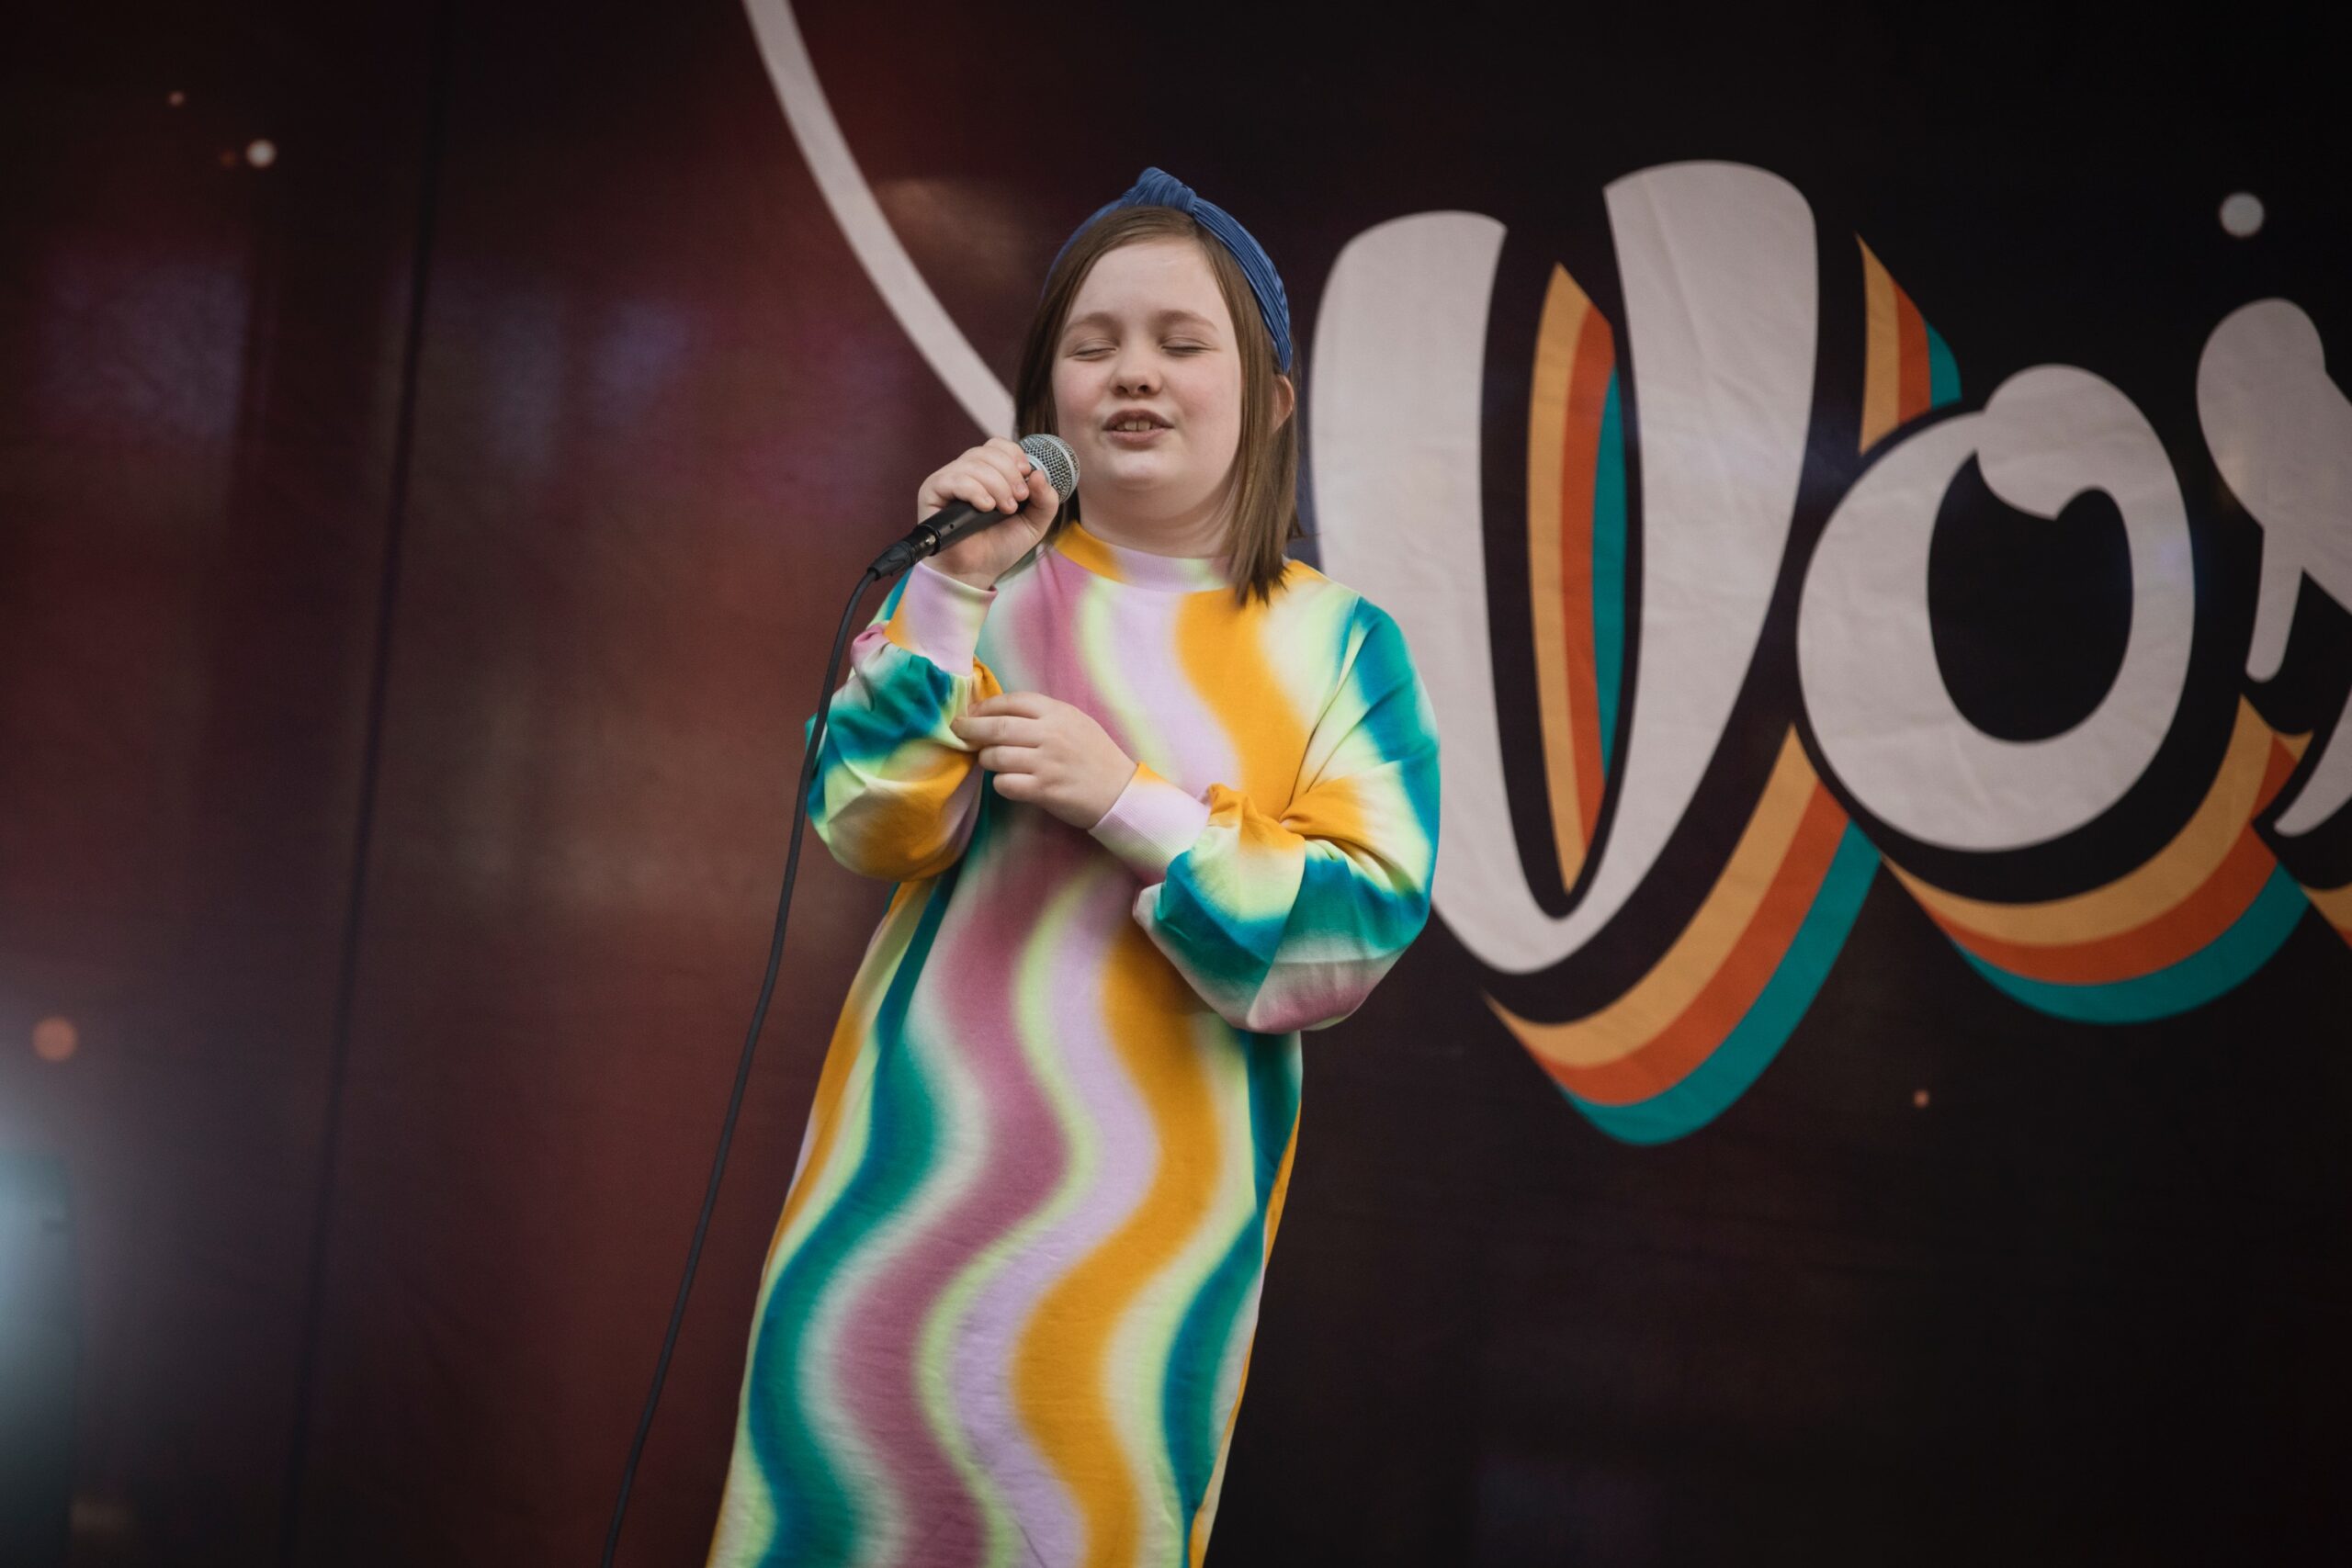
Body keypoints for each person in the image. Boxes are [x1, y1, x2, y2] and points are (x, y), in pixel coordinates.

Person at [707, 167, 1442, 1568]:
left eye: (1182, 342)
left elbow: (1349, 938)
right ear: (1045, 396)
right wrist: (952, 584)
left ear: (1272, 402)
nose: (1134, 374)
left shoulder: (1344, 644)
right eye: (1093, 345)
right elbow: (868, 821)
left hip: (1139, 1281)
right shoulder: (978, 585)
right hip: (888, 1224)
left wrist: (1129, 802)